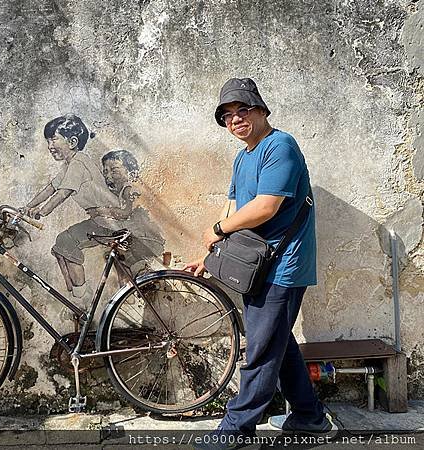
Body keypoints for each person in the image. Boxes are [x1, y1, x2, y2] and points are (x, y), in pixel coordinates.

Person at [183, 78, 334, 446]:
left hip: (283, 266)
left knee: (262, 349)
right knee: (276, 342)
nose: (235, 119)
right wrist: (211, 255)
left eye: (243, 110)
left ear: (262, 110)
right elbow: (234, 207)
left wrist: (217, 228)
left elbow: (266, 206)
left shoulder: (279, 145)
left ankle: (236, 429)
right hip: (256, 267)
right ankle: (308, 416)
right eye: (227, 115)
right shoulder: (242, 156)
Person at [21, 114, 120, 300]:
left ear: (73, 141)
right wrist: (27, 206)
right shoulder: (69, 165)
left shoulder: (79, 163)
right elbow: (51, 188)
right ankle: (76, 296)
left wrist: (42, 212)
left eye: (54, 139)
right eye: (48, 141)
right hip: (100, 219)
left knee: (66, 242)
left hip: (108, 221)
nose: (50, 146)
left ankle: (84, 298)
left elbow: (62, 193)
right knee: (61, 246)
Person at [88, 149, 165, 283]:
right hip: (140, 239)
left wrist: (100, 211)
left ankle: (142, 276)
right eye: (105, 171)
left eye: (114, 171)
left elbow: (125, 213)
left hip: (147, 240)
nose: (108, 176)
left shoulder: (129, 189)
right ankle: (128, 288)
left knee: (121, 250)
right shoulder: (123, 191)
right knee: (114, 252)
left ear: (131, 173)